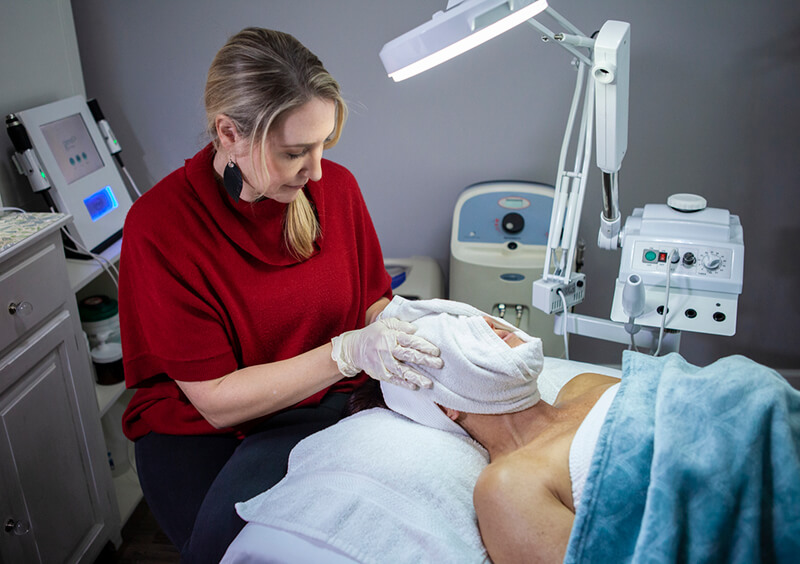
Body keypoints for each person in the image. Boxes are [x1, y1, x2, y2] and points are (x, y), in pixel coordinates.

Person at [118, 28, 441, 563]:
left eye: (323, 145)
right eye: (295, 152)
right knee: (232, 551)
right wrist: (347, 352)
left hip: (323, 404)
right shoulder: (161, 226)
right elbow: (216, 401)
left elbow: (372, 304)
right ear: (229, 134)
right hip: (205, 431)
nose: (316, 171)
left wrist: (419, 331)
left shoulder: (334, 189)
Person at [373, 297, 800, 564]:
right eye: (452, 337)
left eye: (476, 318)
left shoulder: (584, 385)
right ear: (446, 407)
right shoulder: (506, 486)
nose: (489, 324)